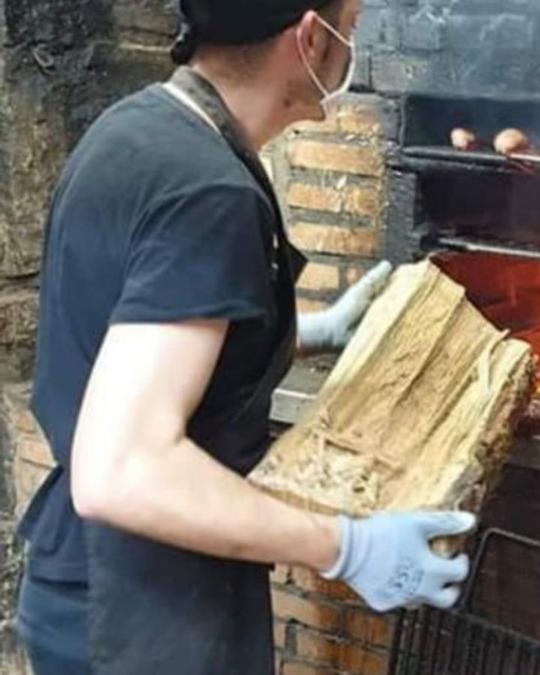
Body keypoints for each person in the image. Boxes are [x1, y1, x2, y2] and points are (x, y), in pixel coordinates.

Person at [15, 1, 475, 673]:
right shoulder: (209, 191)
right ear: (311, 39)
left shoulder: (138, 129)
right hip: (143, 618)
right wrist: (347, 546)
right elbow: (120, 470)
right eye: (351, 26)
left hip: (85, 582)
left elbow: (126, 342)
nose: (354, 45)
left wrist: (307, 334)